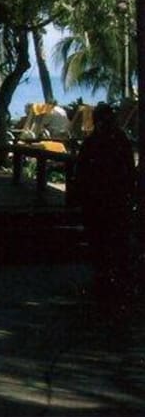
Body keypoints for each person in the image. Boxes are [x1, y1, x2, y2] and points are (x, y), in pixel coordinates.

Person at [74, 102, 136, 302]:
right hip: (108, 199)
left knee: (105, 240)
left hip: (105, 199)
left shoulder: (96, 142)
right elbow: (129, 170)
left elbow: (82, 172)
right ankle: (110, 278)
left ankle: (109, 278)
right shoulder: (117, 141)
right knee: (108, 240)